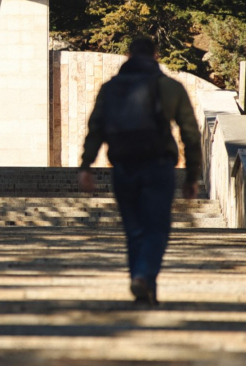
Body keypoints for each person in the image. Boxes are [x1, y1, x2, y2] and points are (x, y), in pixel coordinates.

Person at [79, 36, 202, 306]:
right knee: (156, 228)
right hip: (158, 167)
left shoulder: (110, 88)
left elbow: (95, 128)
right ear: (156, 55)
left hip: (123, 166)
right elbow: (190, 134)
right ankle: (144, 278)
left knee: (134, 229)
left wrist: (86, 166)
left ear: (129, 56)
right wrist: (193, 176)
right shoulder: (169, 86)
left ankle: (142, 285)